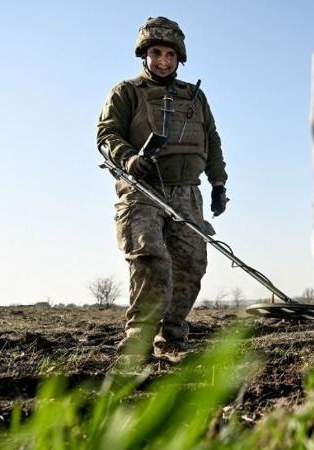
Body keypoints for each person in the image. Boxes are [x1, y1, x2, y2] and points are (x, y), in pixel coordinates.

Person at [97, 17, 228, 362]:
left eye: (170, 54)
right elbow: (106, 135)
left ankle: (170, 338)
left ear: (179, 56)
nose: (163, 61)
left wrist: (218, 184)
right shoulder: (126, 92)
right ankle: (137, 341)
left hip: (187, 192)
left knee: (191, 263)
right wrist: (129, 159)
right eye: (156, 53)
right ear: (145, 54)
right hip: (143, 189)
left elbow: (212, 141)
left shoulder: (195, 98)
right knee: (151, 258)